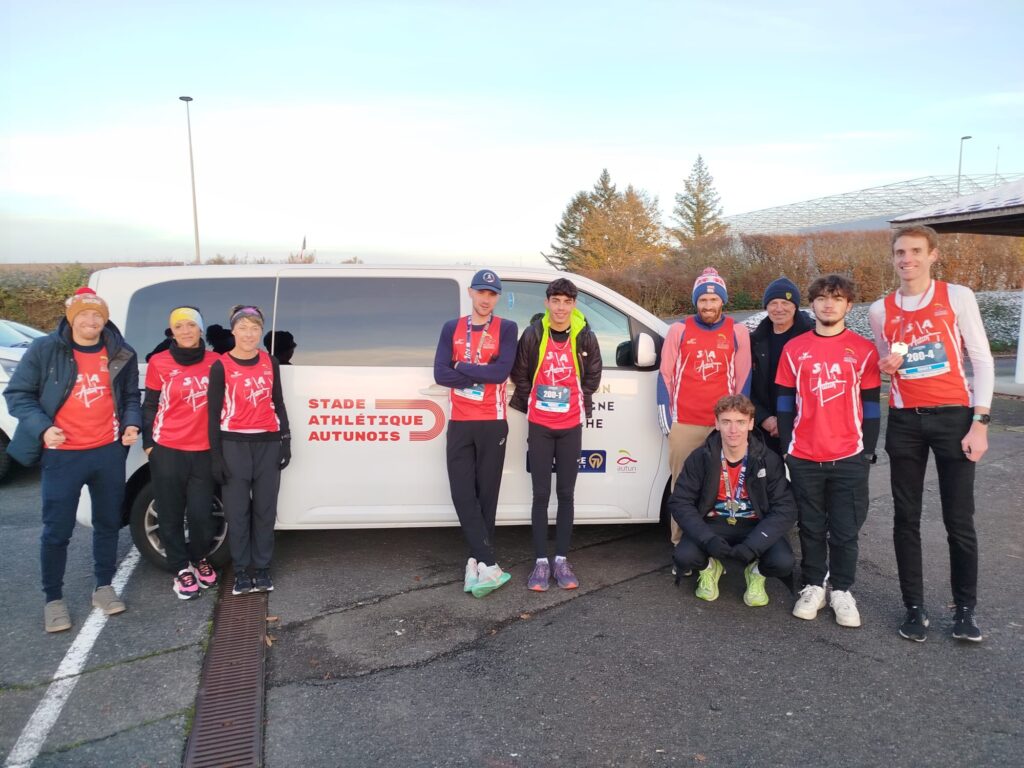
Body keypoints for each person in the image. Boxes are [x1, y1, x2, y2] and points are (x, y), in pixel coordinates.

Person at [868, 225, 993, 643]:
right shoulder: (880, 310)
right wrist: (888, 366)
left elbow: (981, 359)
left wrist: (981, 421)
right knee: (906, 518)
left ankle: (965, 611)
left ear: (933, 255)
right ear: (893, 258)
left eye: (916, 251)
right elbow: (890, 361)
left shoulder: (957, 296)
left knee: (959, 520)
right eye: (900, 252)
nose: (908, 259)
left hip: (955, 418)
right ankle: (914, 608)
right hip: (905, 421)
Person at [4, 287, 142, 632]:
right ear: (72, 317)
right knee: (57, 530)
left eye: (97, 315)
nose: (91, 321)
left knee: (108, 522)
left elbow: (129, 398)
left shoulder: (120, 352)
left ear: (105, 317)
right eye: (84, 315)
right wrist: (42, 428)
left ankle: (104, 587)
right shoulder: (46, 349)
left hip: (108, 451)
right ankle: (53, 599)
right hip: (62, 455)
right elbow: (18, 395)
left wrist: (131, 423)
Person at [776, 274, 881, 628]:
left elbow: (871, 406)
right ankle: (813, 585)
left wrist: (867, 450)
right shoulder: (794, 349)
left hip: (849, 455)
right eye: (821, 297)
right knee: (810, 525)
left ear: (848, 305)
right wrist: (787, 447)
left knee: (845, 527)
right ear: (812, 304)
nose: (828, 303)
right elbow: (784, 403)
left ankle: (842, 590)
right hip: (804, 455)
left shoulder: (863, 350)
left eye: (836, 298)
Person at [510, 278, 602, 591]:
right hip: (539, 424)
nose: (561, 307)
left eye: (567, 301)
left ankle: (561, 559)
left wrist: (573, 402)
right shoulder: (534, 333)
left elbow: (593, 377)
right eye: (556, 301)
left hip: (570, 426)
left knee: (565, 493)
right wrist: (536, 399)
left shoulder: (585, 335)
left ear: (574, 305)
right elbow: (519, 374)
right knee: (540, 494)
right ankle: (540, 563)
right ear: (547, 303)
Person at [433, 269, 518, 598]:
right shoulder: (451, 328)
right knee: (461, 492)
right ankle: (488, 562)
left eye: (492, 294)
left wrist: (462, 369)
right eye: (481, 292)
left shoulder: (506, 328)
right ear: (471, 292)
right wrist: (476, 374)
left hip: (492, 421)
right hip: (460, 421)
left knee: (487, 495)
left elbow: (500, 373)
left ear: (497, 297)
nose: (485, 299)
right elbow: (440, 373)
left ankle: (478, 562)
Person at [669, 394, 797, 606]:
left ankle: (756, 572)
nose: (733, 430)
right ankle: (710, 568)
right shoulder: (701, 457)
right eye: (726, 422)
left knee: (783, 562)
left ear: (751, 424)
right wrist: (707, 538)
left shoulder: (768, 459)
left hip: (754, 524)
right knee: (684, 557)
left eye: (740, 422)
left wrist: (754, 546)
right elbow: (679, 502)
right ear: (717, 424)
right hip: (714, 523)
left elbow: (785, 509)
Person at [657, 267, 752, 550]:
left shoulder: (737, 331)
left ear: (722, 301)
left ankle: (715, 546)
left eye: (713, 300)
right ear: (695, 302)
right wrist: (668, 423)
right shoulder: (680, 330)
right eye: (703, 300)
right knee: (682, 487)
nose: (708, 306)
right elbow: (665, 376)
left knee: (721, 486)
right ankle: (681, 546)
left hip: (723, 425)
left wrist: (741, 422)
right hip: (685, 422)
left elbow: (744, 379)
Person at [207, 305, 291, 596]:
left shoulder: (270, 362)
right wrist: (216, 456)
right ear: (233, 331)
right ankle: (242, 571)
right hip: (234, 444)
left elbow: (277, 402)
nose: (249, 334)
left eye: (254, 328)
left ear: (261, 331)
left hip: (267, 442)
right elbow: (213, 413)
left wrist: (285, 439)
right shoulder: (220, 365)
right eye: (243, 328)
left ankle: (263, 568)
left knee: (265, 510)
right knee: (238, 512)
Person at [142, 306, 220, 600]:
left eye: (191, 325)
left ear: (201, 329)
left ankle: (199, 557)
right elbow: (150, 405)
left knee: (202, 514)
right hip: (169, 448)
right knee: (171, 512)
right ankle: (180, 568)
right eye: (179, 326)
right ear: (172, 332)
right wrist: (150, 444)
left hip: (204, 450)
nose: (186, 331)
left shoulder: (216, 362)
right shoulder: (159, 362)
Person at [749, 277, 814, 455]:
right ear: (766, 307)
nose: (779, 309)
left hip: (805, 427)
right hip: (765, 429)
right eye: (773, 303)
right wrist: (762, 418)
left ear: (795, 306)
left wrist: (787, 420)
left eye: (785, 302)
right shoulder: (754, 341)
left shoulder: (812, 338)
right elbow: (747, 386)